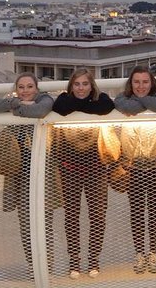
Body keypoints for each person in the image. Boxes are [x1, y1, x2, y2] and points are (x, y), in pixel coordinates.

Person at [0, 72, 61, 277]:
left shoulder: (44, 99)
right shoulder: (13, 102)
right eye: (21, 87)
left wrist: (17, 109)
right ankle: (32, 265)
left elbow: (42, 109)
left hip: (42, 175)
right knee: (25, 223)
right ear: (16, 89)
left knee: (44, 222)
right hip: (19, 175)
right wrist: (15, 104)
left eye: (30, 87)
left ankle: (47, 265)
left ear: (36, 88)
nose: (26, 91)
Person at [52, 68, 115, 279]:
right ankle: (74, 261)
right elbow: (60, 106)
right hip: (69, 170)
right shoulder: (64, 100)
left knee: (97, 216)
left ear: (92, 86)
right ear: (71, 86)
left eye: (85, 84)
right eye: (77, 84)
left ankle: (94, 259)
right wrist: (87, 106)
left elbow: (107, 105)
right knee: (71, 216)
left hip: (97, 171)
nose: (81, 88)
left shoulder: (101, 99)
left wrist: (82, 107)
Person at [114, 66, 156, 274]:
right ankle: (140, 253)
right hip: (132, 166)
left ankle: (153, 252)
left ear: (152, 83)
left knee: (155, 210)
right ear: (131, 83)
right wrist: (146, 103)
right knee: (137, 211)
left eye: (145, 82)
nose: (140, 86)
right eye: (136, 82)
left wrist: (137, 103)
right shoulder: (122, 98)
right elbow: (120, 103)